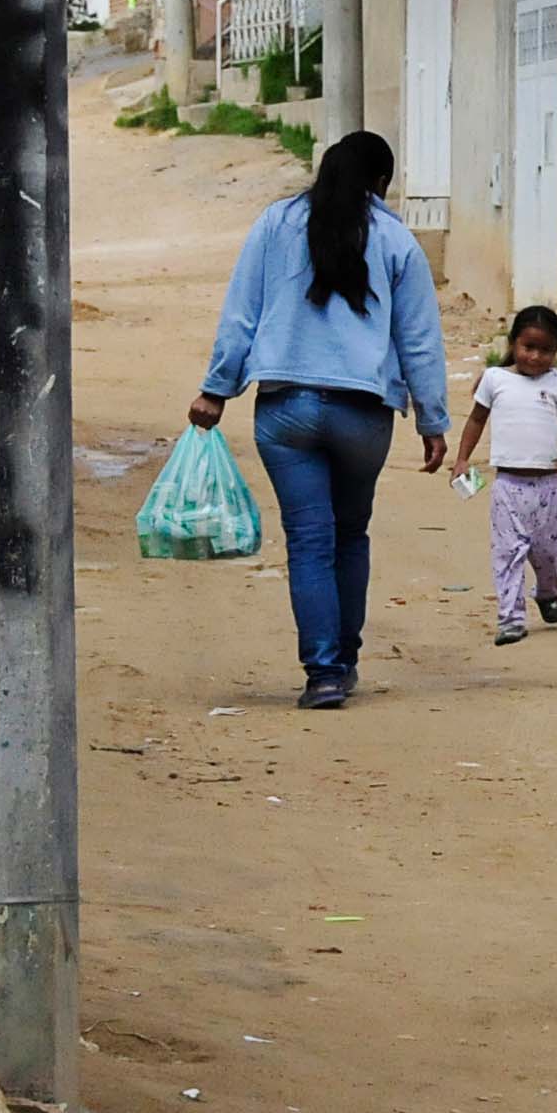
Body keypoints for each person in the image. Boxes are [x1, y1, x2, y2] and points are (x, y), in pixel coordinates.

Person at [194, 132, 451, 709]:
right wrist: (432, 421)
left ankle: (324, 674)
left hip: (285, 409)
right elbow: (419, 341)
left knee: (309, 542)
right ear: (381, 183)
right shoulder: (395, 239)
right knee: (350, 533)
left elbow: (241, 313)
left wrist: (217, 389)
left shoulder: (274, 224)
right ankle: (348, 656)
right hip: (363, 413)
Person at [448, 305, 557, 646]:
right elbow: (476, 420)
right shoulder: (495, 380)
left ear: (556, 351)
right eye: (529, 347)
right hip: (508, 486)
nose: (536, 357)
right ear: (513, 343)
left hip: (549, 487)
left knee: (554, 552)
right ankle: (510, 618)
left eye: (546, 350)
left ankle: (546, 592)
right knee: (508, 553)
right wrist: (462, 459)